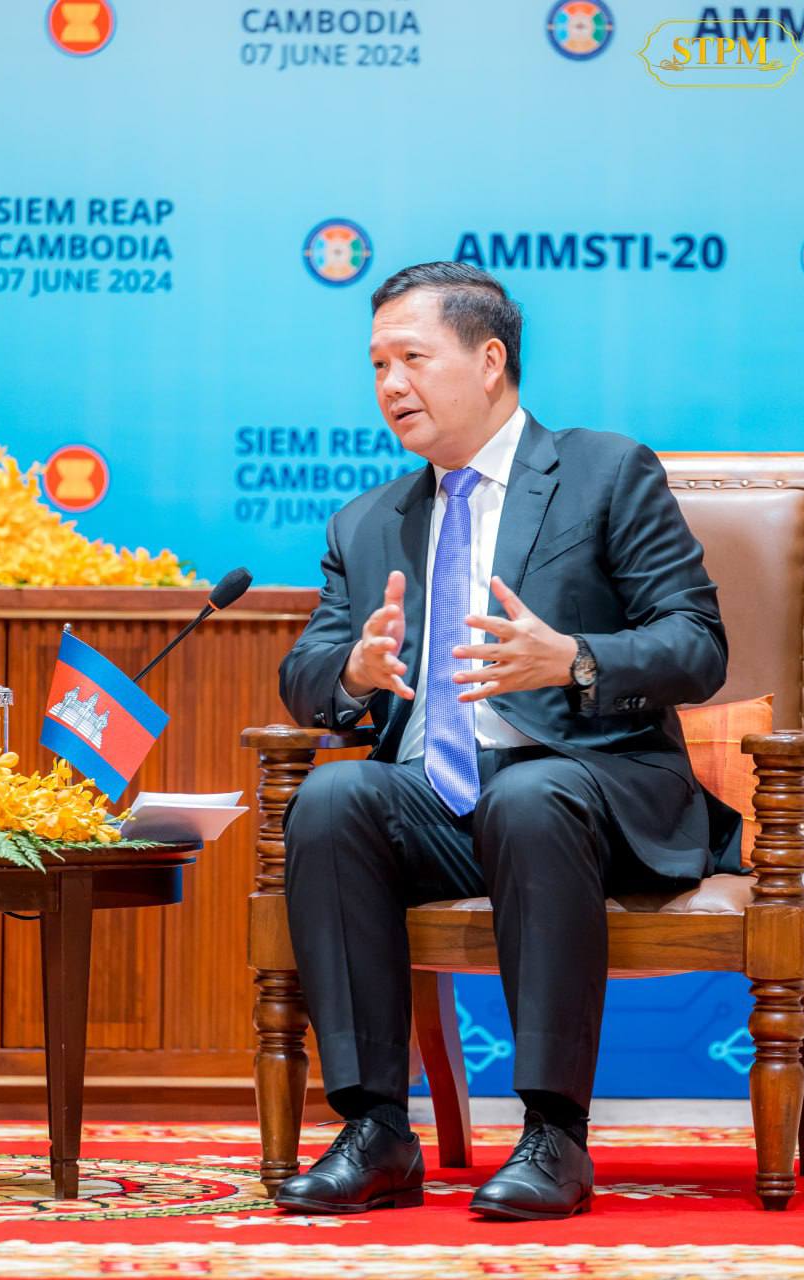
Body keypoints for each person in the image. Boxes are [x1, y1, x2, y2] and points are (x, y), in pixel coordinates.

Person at [274, 261, 740, 1221]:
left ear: (489, 360)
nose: (390, 385)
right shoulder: (366, 522)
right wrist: (355, 670)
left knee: (528, 794)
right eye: (377, 366)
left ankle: (553, 1135)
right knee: (331, 795)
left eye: (412, 359)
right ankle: (374, 1130)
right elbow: (305, 673)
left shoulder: (604, 472)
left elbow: (697, 645)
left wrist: (573, 658)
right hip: (440, 802)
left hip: (593, 791)